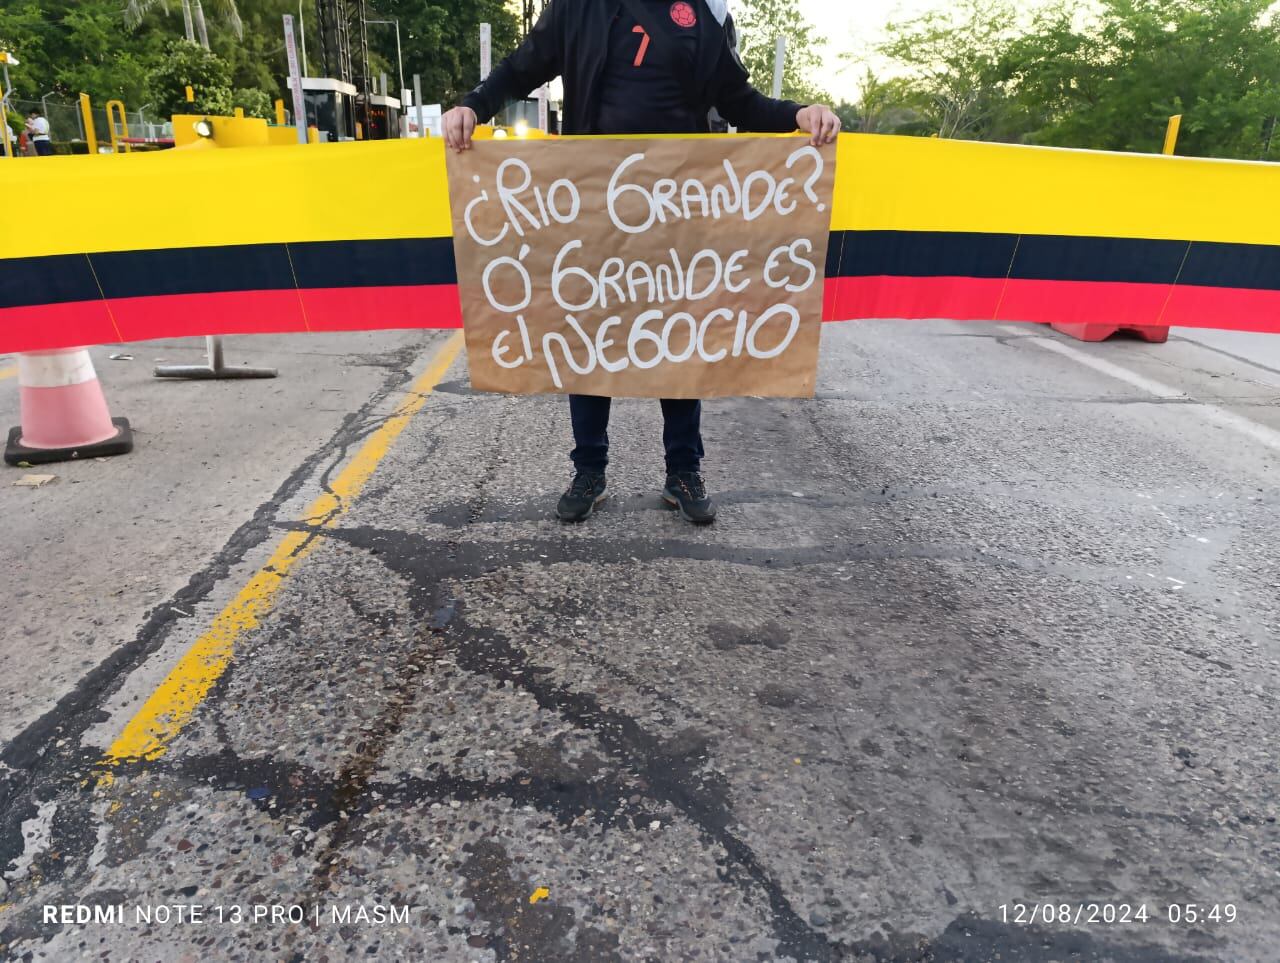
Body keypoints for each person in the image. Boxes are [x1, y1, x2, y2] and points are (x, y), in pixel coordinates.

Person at [442, 0, 839, 526]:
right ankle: (589, 471)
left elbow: (738, 100)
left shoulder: (701, 13)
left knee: (678, 335)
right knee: (589, 333)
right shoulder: (577, 8)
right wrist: (473, 106)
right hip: (593, 202)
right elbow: (522, 68)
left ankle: (683, 472)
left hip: (680, 204)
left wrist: (797, 114)